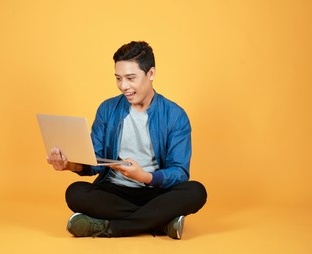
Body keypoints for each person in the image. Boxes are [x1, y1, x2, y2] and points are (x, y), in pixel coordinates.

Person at [47, 41, 207, 239]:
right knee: (75, 192)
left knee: (196, 191)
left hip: (156, 193)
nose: (124, 86)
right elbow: (95, 162)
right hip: (115, 192)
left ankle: (110, 228)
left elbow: (180, 172)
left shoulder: (175, 115)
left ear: (151, 74)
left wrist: (143, 177)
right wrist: (69, 164)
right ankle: (161, 223)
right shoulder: (107, 109)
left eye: (131, 78)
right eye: (118, 78)